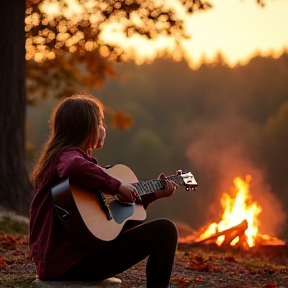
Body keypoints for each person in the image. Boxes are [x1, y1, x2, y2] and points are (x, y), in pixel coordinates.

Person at [29, 93, 179, 288]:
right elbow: (74, 166)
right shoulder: (68, 157)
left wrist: (155, 193)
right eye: (100, 122)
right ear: (86, 128)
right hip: (71, 263)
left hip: (71, 259)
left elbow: (113, 219)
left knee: (163, 230)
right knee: (166, 230)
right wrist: (117, 186)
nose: (103, 128)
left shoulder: (67, 161)